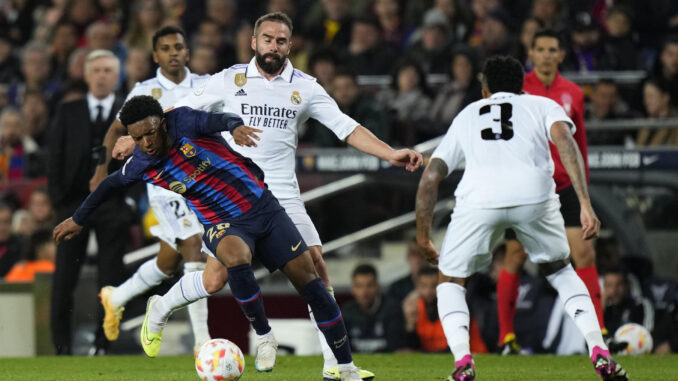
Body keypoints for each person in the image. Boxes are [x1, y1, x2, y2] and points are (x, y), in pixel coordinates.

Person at [113, 11, 422, 381]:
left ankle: (337, 366)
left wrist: (390, 153)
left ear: (290, 46)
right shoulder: (228, 80)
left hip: (283, 194)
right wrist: (136, 135)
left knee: (316, 268)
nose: (273, 46)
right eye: (267, 39)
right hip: (231, 195)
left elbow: (346, 127)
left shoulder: (306, 87)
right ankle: (161, 306)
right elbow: (177, 111)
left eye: (280, 40)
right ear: (254, 42)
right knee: (214, 281)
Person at [53, 95, 366, 381]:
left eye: (150, 133)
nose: (147, 143)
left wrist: (236, 126)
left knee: (314, 286)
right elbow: (108, 186)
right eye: (138, 138)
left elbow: (219, 120)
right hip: (221, 221)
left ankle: (346, 368)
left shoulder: (184, 121)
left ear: (161, 123)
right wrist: (77, 219)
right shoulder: (141, 164)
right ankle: (264, 336)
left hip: (263, 207)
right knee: (236, 259)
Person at [414, 55, 627, 381]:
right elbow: (566, 142)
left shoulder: (468, 114)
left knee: (451, 281)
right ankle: (598, 349)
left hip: (479, 201)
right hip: (534, 196)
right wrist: (584, 202)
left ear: (485, 89)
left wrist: (423, 235)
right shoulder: (542, 105)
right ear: (521, 86)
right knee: (560, 270)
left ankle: (462, 362)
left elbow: (430, 179)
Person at [89, 26, 212, 354]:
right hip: (164, 185)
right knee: (195, 248)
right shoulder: (144, 91)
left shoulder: (205, 85)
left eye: (179, 46)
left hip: (202, 181)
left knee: (169, 261)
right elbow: (115, 130)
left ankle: (116, 297)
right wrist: (102, 169)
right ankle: (203, 343)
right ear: (155, 55)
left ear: (187, 51)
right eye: (166, 48)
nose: (174, 52)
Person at [496, 29, 607, 355]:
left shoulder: (573, 91)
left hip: (565, 186)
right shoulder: (516, 91)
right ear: (531, 53)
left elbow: (579, 144)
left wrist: (583, 191)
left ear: (561, 55)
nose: (546, 54)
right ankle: (506, 337)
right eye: (540, 49)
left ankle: (599, 331)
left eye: (552, 49)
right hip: (527, 186)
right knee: (516, 256)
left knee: (584, 254)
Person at [47, 49, 129, 355]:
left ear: (117, 76)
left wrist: (130, 204)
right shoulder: (68, 111)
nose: (102, 76)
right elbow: (53, 157)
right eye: (97, 70)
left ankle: (103, 346)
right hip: (72, 204)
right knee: (64, 278)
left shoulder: (128, 111)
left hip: (113, 205)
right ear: (86, 74)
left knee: (110, 280)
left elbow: (149, 155)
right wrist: (58, 202)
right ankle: (61, 348)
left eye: (108, 70)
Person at [342, 264, 395, 353]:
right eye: (359, 286)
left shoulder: (392, 310)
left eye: (369, 285)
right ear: (353, 289)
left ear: (377, 287)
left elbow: (399, 349)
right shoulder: (346, 312)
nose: (364, 292)